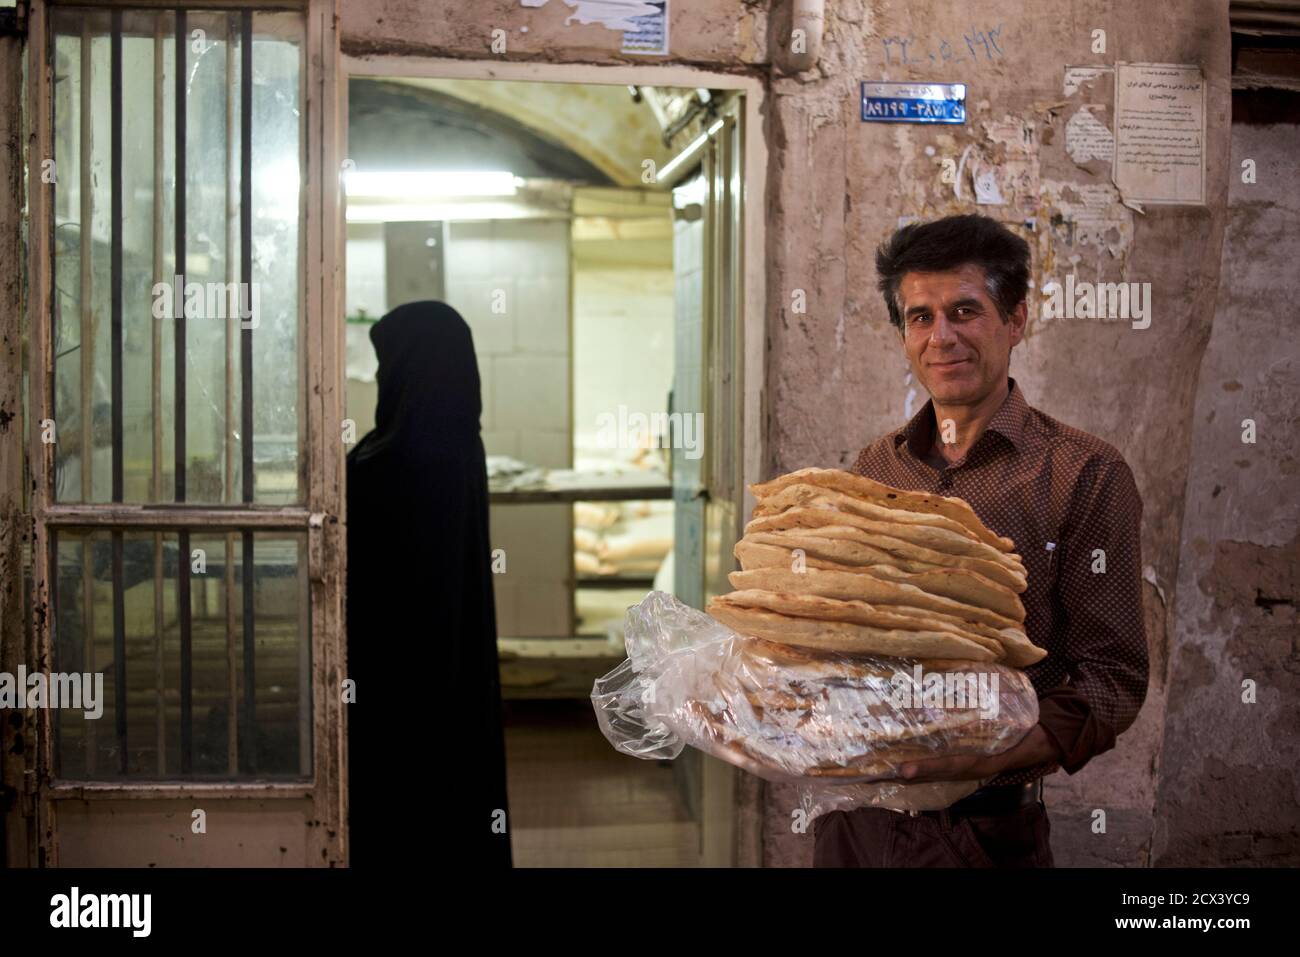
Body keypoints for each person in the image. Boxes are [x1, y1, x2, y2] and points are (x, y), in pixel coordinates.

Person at [814, 215, 1148, 867]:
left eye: (965, 310)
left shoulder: (1083, 473)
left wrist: (981, 753)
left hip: (986, 837)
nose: (942, 337)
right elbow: (844, 635)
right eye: (920, 316)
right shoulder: (872, 469)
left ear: (1016, 318)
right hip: (856, 825)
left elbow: (1112, 679)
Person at [346, 300, 512, 867]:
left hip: (397, 674)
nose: (377, 377)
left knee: (401, 802)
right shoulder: (458, 440)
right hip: (449, 666)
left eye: (383, 363)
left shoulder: (400, 458)